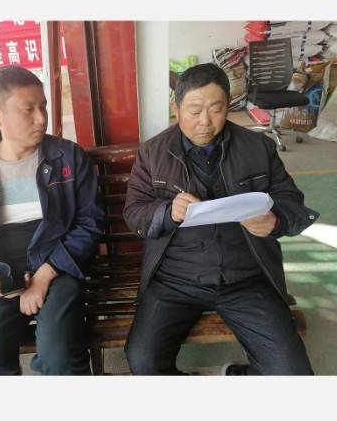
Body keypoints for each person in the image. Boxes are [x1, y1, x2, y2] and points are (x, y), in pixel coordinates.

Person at [123, 63, 319, 376]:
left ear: (228, 106)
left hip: (245, 277)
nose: (205, 121)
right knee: (144, 363)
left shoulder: (258, 147)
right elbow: (134, 212)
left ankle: (233, 375)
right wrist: (167, 212)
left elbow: (291, 201)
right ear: (176, 108)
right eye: (194, 110)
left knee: (292, 373)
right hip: (175, 279)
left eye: (216, 109)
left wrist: (276, 221)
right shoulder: (152, 153)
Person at [0, 66, 104, 375]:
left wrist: (44, 277)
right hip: (0, 270)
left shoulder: (67, 158)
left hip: (58, 264)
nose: (41, 118)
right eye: (28, 109)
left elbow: (89, 223)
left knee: (59, 357)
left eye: (43, 106)